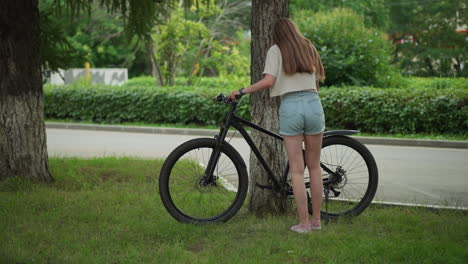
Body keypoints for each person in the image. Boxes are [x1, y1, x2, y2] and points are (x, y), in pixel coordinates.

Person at [228, 18, 326, 233]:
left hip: (291, 106)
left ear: (277, 34)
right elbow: (317, 82)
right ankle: (317, 221)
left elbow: (268, 81)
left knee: (297, 171)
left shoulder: (276, 49)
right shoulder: (308, 46)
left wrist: (241, 91)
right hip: (313, 103)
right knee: (315, 167)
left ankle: (304, 223)